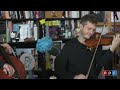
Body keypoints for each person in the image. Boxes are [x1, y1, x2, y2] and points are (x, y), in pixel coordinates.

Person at [54, 14, 120, 79]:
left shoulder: (96, 45)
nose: (91, 32)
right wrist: (74, 77)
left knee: (116, 73)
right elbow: (59, 71)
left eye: (93, 30)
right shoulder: (68, 47)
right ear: (81, 26)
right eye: (89, 28)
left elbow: (101, 64)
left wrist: (112, 48)